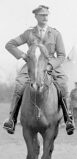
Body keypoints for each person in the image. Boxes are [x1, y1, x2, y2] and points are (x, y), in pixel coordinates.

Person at [3, 5, 74, 135]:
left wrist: (50, 65)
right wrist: (23, 56)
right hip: (32, 64)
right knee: (19, 83)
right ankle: (11, 119)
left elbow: (62, 55)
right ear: (36, 16)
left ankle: (68, 118)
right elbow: (10, 44)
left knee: (63, 83)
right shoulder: (28, 33)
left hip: (51, 64)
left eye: (47, 15)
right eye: (42, 15)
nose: (45, 17)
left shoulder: (55, 34)